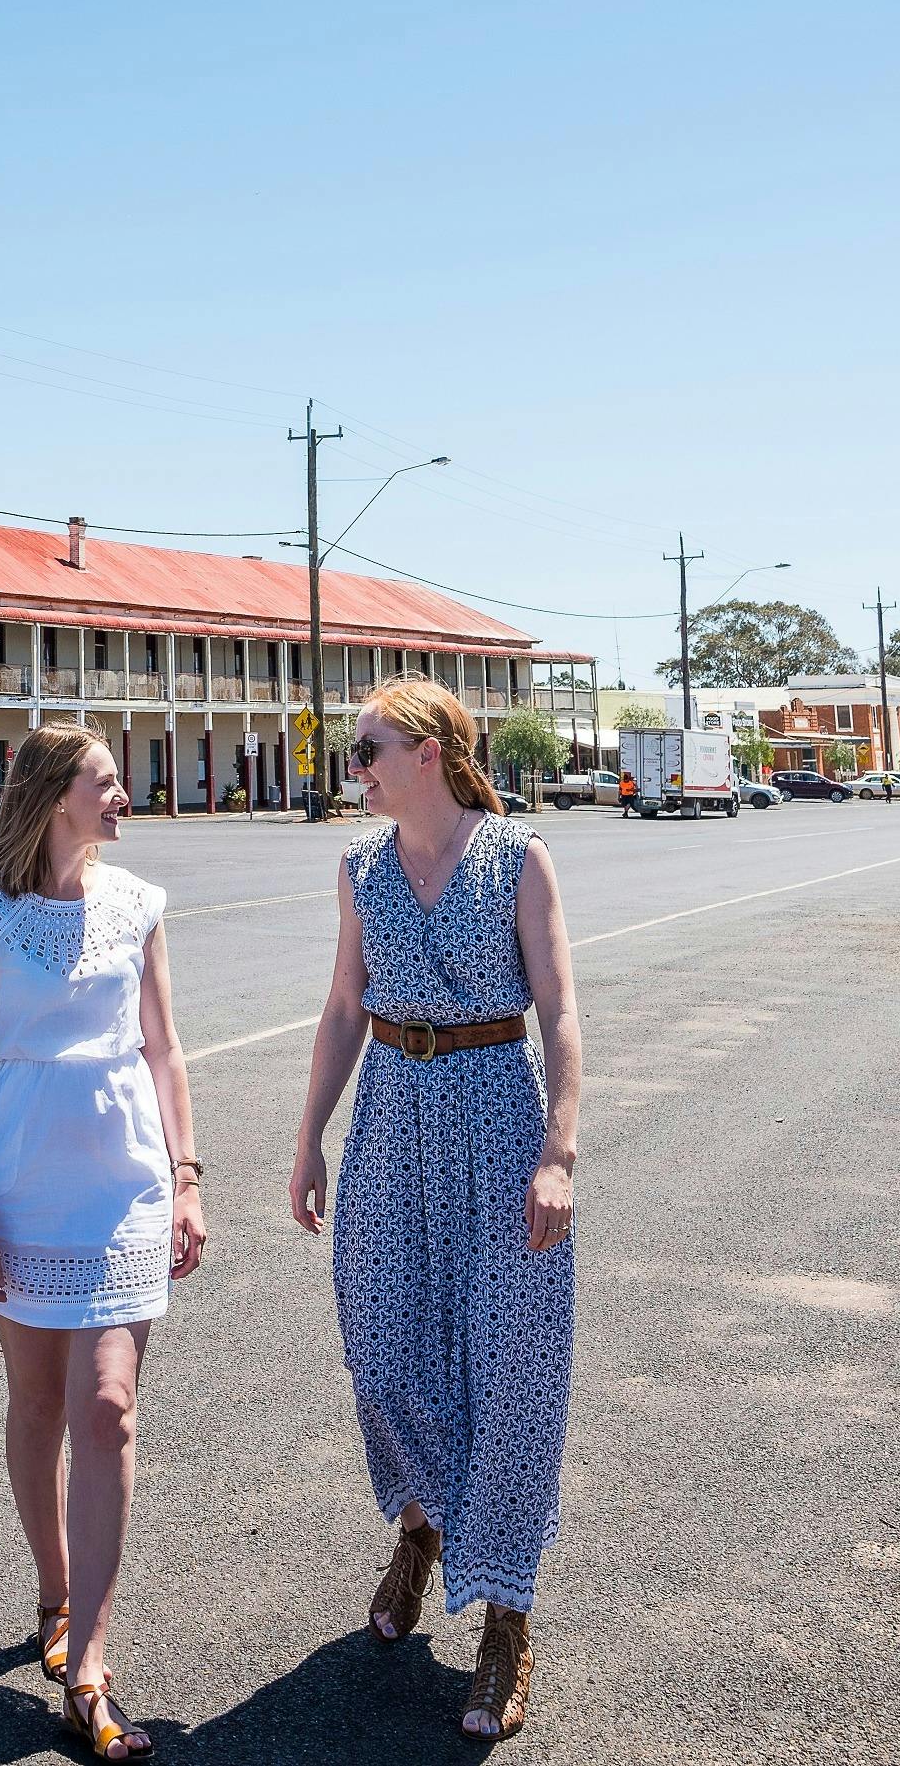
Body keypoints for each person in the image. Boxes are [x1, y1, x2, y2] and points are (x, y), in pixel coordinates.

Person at [289, 677, 583, 1743]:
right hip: (389, 1125)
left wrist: (559, 1149)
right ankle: (419, 1525)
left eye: (365, 748)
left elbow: (558, 1011)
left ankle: (506, 1616)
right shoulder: (359, 866)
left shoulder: (516, 856)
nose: (351, 766)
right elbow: (340, 1007)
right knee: (382, 1351)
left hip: (498, 1120)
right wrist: (307, 1136)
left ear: (427, 750)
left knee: (509, 1365)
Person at [0, 720, 205, 1760]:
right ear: (57, 795)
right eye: (106, 781)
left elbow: (165, 1049)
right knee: (39, 1401)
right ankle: (54, 1592)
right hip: (19, 1188)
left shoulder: (139, 906)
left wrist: (186, 1178)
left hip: (124, 1188)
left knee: (106, 1404)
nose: (123, 794)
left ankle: (89, 1663)